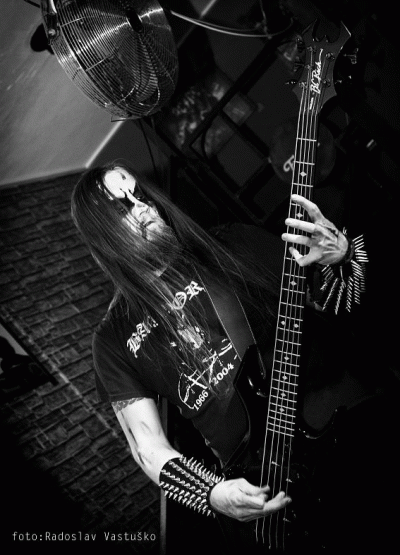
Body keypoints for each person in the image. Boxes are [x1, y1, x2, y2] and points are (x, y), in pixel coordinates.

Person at [71, 161, 371, 551]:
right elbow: (147, 447)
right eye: (122, 206)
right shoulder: (113, 338)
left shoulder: (232, 244)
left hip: (345, 427)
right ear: (104, 234)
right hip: (265, 488)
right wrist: (211, 494)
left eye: (138, 194)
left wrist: (343, 259)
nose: (141, 206)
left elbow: (339, 308)